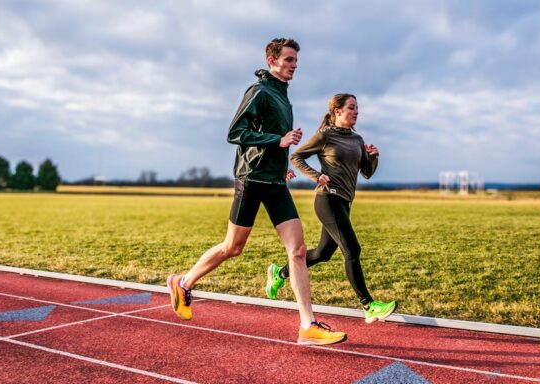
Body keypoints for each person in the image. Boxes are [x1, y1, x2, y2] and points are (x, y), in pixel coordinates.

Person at [167, 38, 346, 346]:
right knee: (232, 247)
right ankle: (182, 282)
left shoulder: (282, 96)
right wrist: (278, 140)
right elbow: (235, 133)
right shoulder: (259, 92)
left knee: (298, 251)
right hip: (251, 179)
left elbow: (274, 140)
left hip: (275, 182)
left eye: (295, 60)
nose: (294, 65)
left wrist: (281, 162)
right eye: (288, 59)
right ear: (271, 60)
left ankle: (308, 325)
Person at [265, 93, 397, 324]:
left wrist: (373, 157)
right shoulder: (325, 135)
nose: (357, 112)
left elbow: (366, 172)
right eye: (352, 108)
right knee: (352, 250)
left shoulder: (357, 140)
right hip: (327, 200)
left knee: (323, 254)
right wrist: (317, 176)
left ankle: (280, 273)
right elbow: (297, 157)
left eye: (357, 108)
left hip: (344, 202)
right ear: (337, 111)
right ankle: (369, 305)